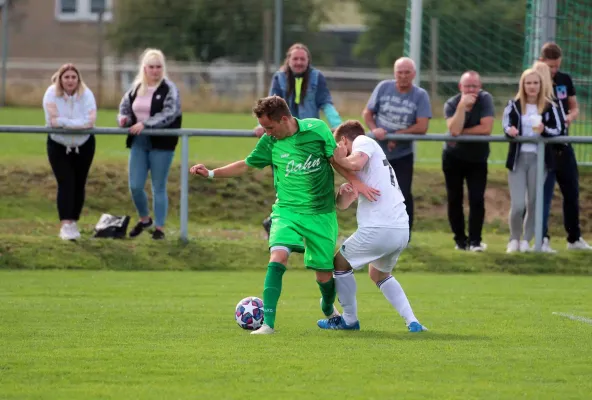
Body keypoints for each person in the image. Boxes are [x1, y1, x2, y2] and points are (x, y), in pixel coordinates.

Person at [190, 96, 378, 335]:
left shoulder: (317, 129)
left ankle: (329, 308)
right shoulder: (270, 142)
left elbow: (336, 161)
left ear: (285, 119)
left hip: (320, 214)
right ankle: (268, 325)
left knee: (324, 276)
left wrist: (354, 182)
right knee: (277, 256)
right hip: (286, 211)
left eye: (269, 127)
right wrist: (211, 174)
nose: (266, 132)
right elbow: (247, 164)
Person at [316, 120, 427, 332]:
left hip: (381, 227)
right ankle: (413, 322)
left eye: (340, 145)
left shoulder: (363, 140)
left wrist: (338, 158)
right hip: (400, 228)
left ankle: (349, 320)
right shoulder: (373, 167)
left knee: (340, 263)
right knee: (378, 274)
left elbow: (355, 162)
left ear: (345, 140)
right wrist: (344, 193)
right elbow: (343, 205)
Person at [254, 43, 343, 238]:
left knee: (310, 181)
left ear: (308, 61)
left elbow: (325, 102)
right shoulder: (279, 78)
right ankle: (280, 222)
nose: (299, 62)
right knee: (289, 183)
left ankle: (279, 222)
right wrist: (264, 127)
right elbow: (269, 105)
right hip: (284, 137)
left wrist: (337, 124)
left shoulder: (317, 78)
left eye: (303, 59)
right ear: (288, 60)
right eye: (295, 59)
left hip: (307, 138)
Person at [117, 48, 182, 240]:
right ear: (144, 68)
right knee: (135, 185)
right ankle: (145, 219)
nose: (155, 71)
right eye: (151, 67)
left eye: (158, 67)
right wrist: (124, 119)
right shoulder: (136, 88)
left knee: (158, 186)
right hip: (139, 141)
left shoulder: (169, 89)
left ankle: (159, 228)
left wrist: (146, 124)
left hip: (162, 142)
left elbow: (170, 113)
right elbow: (124, 108)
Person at [362, 57, 431, 236]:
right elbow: (368, 113)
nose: (403, 76)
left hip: (402, 154)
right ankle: (376, 231)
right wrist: (375, 129)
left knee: (403, 193)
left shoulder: (420, 95)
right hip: (378, 152)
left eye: (407, 72)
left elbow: (422, 126)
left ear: (414, 74)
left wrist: (397, 136)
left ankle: (404, 234)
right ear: (394, 74)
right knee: (376, 192)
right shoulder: (383, 87)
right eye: (400, 72)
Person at [502, 68, 564, 253]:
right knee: (518, 204)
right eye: (528, 83)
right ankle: (514, 238)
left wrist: (544, 129)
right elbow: (505, 125)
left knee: (534, 202)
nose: (532, 87)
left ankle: (526, 240)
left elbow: (558, 130)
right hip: (518, 160)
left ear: (541, 85)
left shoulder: (549, 106)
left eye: (535, 83)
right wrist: (510, 131)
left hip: (539, 159)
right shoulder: (513, 104)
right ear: (523, 85)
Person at [538, 43, 590, 251]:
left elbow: (574, 107)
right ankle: (542, 238)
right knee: (545, 194)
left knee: (572, 191)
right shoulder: (533, 81)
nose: (554, 71)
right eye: (550, 67)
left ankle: (574, 239)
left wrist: (569, 117)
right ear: (542, 62)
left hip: (563, 144)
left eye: (557, 66)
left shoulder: (564, 80)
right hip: (545, 147)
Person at [43, 63, 97, 241]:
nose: (70, 80)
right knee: (66, 182)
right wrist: (75, 123)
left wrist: (65, 122)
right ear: (60, 79)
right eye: (66, 77)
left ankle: (74, 222)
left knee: (79, 183)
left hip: (84, 144)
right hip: (58, 144)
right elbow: (53, 122)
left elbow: (89, 122)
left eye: (73, 77)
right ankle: (65, 224)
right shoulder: (51, 94)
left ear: (78, 79)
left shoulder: (87, 94)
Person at [442, 71, 494, 251]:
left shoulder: (486, 99)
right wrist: (462, 107)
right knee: (454, 199)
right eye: (468, 86)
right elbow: (454, 130)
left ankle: (475, 242)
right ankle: (460, 241)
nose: (471, 90)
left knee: (477, 198)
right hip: (453, 157)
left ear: (480, 87)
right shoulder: (452, 103)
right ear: (460, 87)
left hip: (478, 158)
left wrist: (462, 133)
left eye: (475, 86)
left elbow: (486, 128)